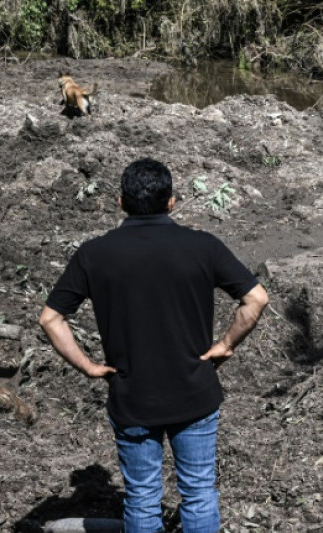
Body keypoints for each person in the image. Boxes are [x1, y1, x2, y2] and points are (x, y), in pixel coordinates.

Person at [38, 158, 269, 533]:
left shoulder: (94, 254)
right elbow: (256, 298)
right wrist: (225, 345)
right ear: (172, 202)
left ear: (120, 203)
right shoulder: (203, 246)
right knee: (198, 492)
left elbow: (50, 318)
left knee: (142, 497)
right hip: (194, 390)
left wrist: (88, 366)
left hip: (133, 396)